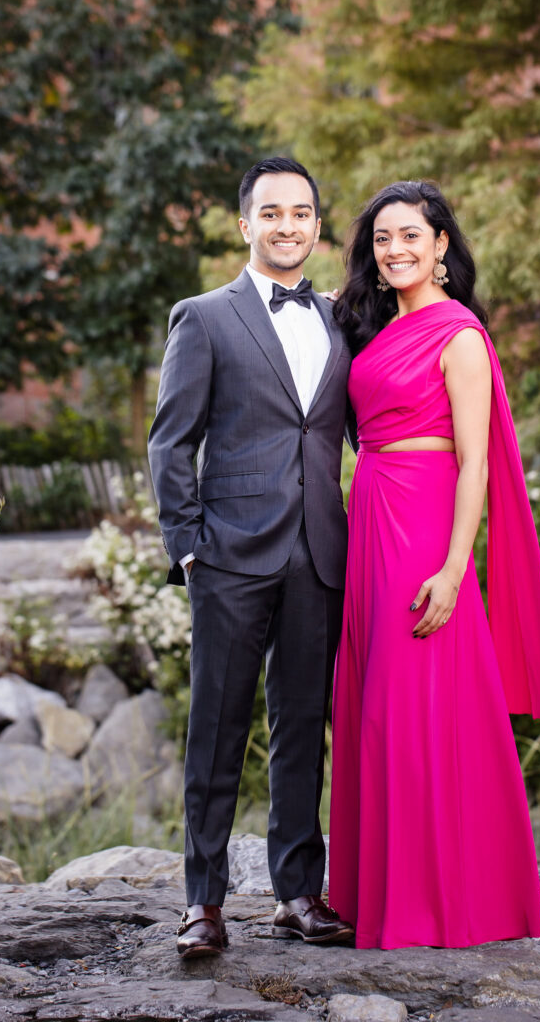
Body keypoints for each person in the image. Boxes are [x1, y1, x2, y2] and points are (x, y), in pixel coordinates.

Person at [328, 180, 540, 950]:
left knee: (414, 703)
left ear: (439, 247)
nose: (394, 250)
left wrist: (456, 564)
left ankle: (448, 902)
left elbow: (475, 464)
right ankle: (381, 895)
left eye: (410, 237)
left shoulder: (458, 334)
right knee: (373, 708)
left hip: (426, 522)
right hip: (368, 513)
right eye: (381, 238)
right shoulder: (368, 327)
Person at [148, 157, 355, 958]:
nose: (287, 226)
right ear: (245, 225)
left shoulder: (341, 318)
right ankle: (202, 902)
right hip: (229, 556)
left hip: (319, 554)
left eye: (301, 213)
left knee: (304, 725)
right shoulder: (202, 316)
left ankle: (297, 892)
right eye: (271, 213)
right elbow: (171, 441)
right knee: (217, 728)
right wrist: (189, 548)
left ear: (315, 224)